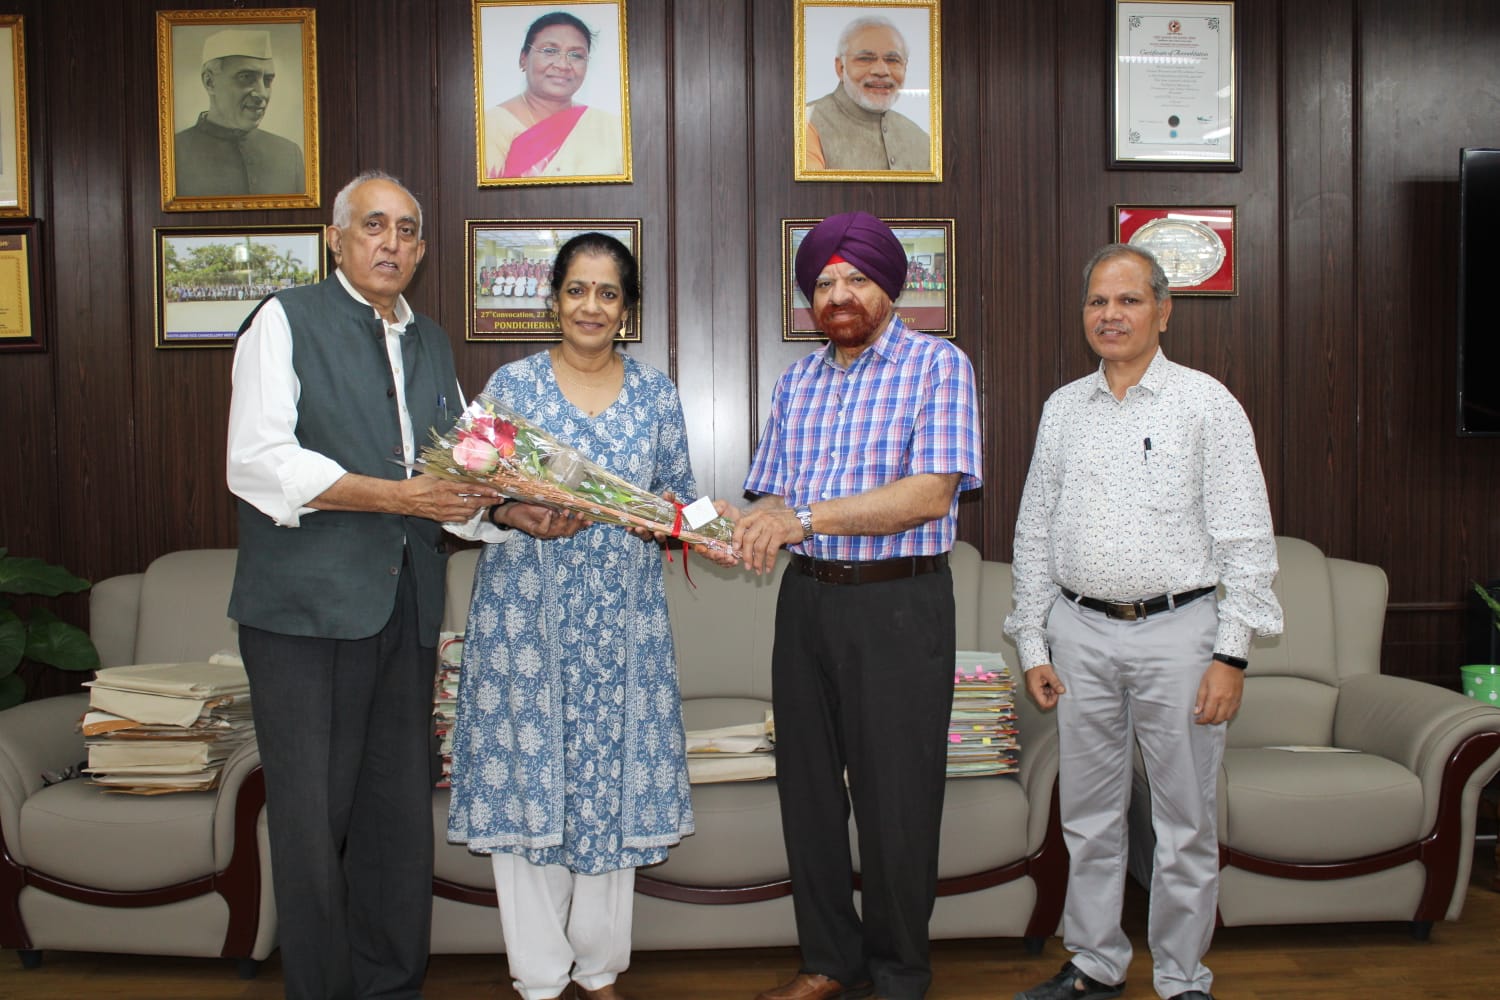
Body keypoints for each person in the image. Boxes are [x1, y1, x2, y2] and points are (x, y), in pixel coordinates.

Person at [226, 170, 494, 1000]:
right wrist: (394, 495)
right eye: (373, 225)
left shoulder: (432, 342)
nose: (392, 242)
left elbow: (457, 473)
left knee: (394, 819)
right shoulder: (284, 319)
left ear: (420, 249)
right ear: (336, 239)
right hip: (305, 618)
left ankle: (390, 986)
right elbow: (258, 462)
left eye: (408, 230)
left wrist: (512, 515)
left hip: (406, 607)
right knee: (312, 825)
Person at [446, 233, 731, 1000]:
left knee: (612, 788)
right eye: (577, 290)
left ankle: (599, 970)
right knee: (530, 782)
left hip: (623, 630)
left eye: (608, 294)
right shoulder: (510, 386)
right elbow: (458, 495)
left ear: (627, 309)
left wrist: (684, 521)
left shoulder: (657, 395)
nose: (591, 307)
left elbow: (685, 497)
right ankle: (539, 978)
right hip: (523, 626)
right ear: (554, 299)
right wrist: (513, 512)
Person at [1004, 244, 1284, 1000]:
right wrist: (1033, 639)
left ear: (1163, 310)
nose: (1110, 315)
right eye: (1098, 302)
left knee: (1183, 821)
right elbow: (1033, 531)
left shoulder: (1207, 403)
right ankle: (1095, 964)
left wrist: (1233, 654)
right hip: (1079, 633)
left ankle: (1182, 977)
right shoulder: (1063, 407)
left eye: (1128, 300)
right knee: (1089, 817)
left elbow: (1246, 537)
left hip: (1181, 634)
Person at [721, 212, 982, 1000]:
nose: (839, 295)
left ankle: (901, 972)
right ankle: (828, 963)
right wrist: (731, 519)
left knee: (897, 799)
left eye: (855, 279)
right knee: (807, 793)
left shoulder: (938, 366)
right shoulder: (795, 381)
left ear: (889, 285)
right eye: (824, 282)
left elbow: (928, 493)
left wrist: (805, 517)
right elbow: (770, 489)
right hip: (805, 605)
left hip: (899, 606)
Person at [483, 11, 624, 179]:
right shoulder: (489, 127)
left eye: (576, 55)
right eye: (549, 50)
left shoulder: (611, 129)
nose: (563, 65)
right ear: (523, 59)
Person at [174, 28, 306, 197]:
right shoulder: (174, 155)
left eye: (267, 80)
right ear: (210, 82)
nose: (262, 93)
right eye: (246, 77)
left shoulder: (288, 154)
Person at [805, 16, 930, 172]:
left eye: (892, 60)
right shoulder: (806, 123)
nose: (881, 71)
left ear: (905, 67)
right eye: (865, 59)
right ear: (841, 68)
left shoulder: (921, 140)